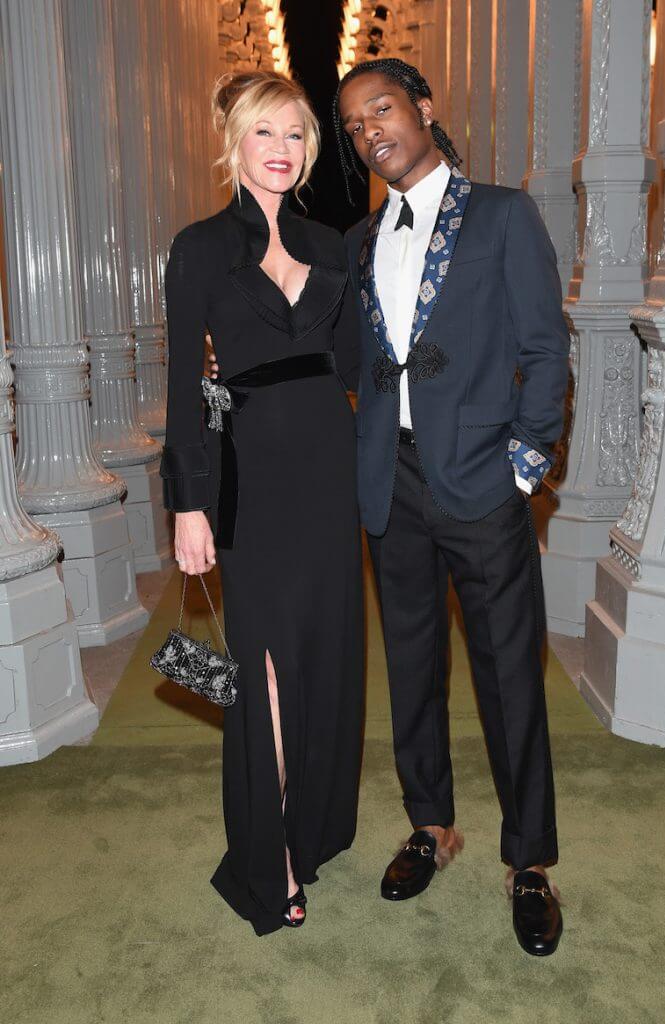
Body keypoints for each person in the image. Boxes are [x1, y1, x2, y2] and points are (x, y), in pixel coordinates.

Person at [334, 58, 569, 956]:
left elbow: (545, 348)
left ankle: (529, 861)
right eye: (354, 124)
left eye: (382, 110)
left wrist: (522, 462)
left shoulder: (502, 214)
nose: (369, 132)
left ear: (424, 109)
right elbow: (354, 364)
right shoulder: (361, 241)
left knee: (510, 677)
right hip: (389, 484)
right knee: (411, 667)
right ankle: (430, 826)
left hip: (480, 481)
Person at [160, 70, 363, 936]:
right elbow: (178, 389)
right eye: (263, 134)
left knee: (322, 655)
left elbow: (358, 367)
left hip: (328, 472)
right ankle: (267, 855)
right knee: (263, 663)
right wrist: (187, 504)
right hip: (244, 479)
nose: (281, 150)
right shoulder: (200, 247)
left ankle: (309, 828)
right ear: (233, 142)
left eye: (294, 135)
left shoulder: (334, 243)